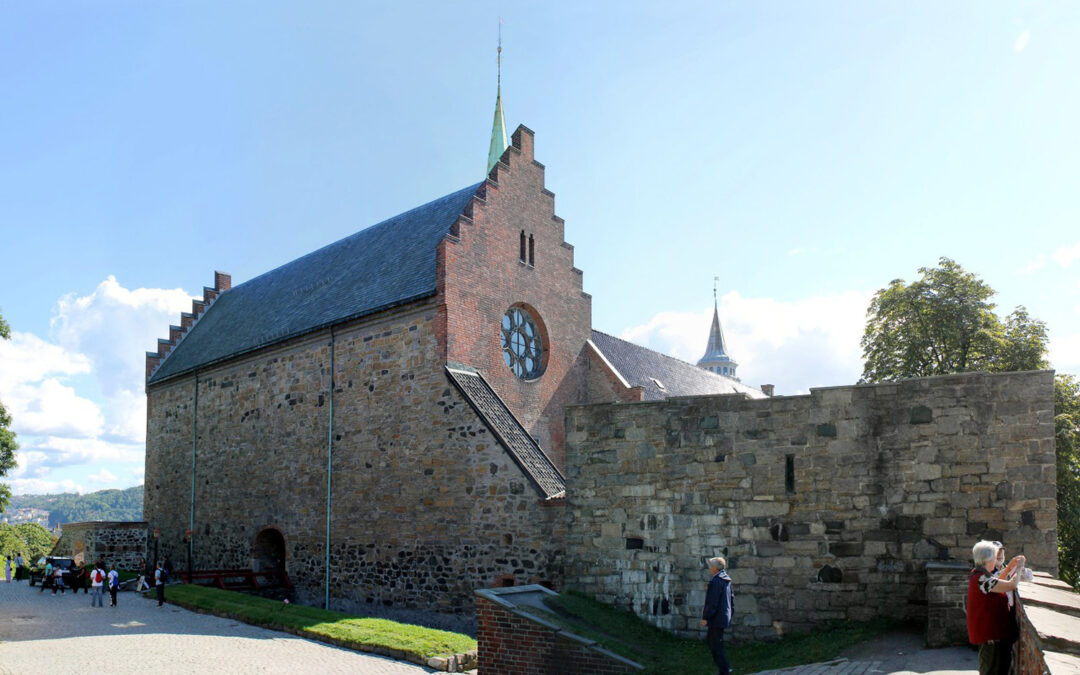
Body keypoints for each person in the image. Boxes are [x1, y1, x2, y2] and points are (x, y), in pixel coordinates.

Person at [968, 540, 1025, 675]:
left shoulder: (980, 574)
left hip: (993, 637)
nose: (996, 560)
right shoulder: (981, 579)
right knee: (992, 671)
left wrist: (1010, 566)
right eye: (995, 557)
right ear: (987, 559)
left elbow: (997, 579)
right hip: (991, 639)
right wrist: (1019, 567)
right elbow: (1011, 585)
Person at [700, 556, 734, 675]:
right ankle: (724, 669)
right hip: (723, 617)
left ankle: (725, 669)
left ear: (715, 568)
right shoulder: (726, 580)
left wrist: (705, 617)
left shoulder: (716, 581)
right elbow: (731, 600)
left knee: (715, 645)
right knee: (714, 642)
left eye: (711, 566)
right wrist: (730, 615)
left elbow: (712, 602)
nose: (710, 569)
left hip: (716, 618)